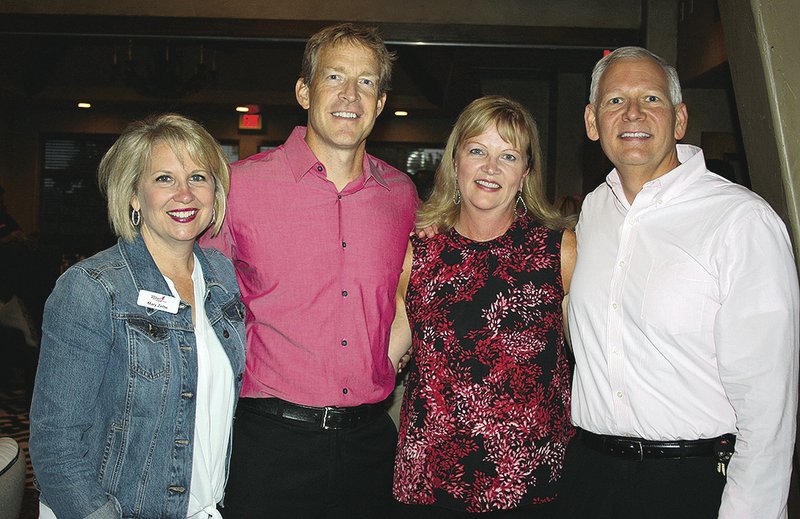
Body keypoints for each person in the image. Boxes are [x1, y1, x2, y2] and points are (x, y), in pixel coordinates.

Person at [562, 46, 800, 518]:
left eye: (651, 98)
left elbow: (768, 409)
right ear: (592, 122)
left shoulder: (741, 221)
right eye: (614, 101)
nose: (632, 112)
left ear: (680, 119)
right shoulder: (593, 211)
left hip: (691, 484)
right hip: (590, 477)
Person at [199, 23, 418, 517]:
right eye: (334, 77)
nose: (350, 95)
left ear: (381, 102)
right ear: (304, 90)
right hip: (269, 442)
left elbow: (409, 295)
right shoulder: (239, 188)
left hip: (371, 444)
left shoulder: (402, 196)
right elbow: (197, 302)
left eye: (366, 83)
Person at [29, 114, 246, 519]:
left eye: (198, 177)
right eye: (164, 178)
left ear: (215, 192)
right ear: (133, 195)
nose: (185, 194)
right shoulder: (91, 288)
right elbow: (55, 444)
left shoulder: (221, 276)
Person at [389, 95, 576, 517]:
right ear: (456, 162)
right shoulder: (419, 252)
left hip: (530, 489)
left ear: (525, 173)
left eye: (508, 156)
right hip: (429, 486)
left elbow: (598, 355)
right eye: (478, 151)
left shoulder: (559, 252)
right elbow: (384, 354)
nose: (490, 168)